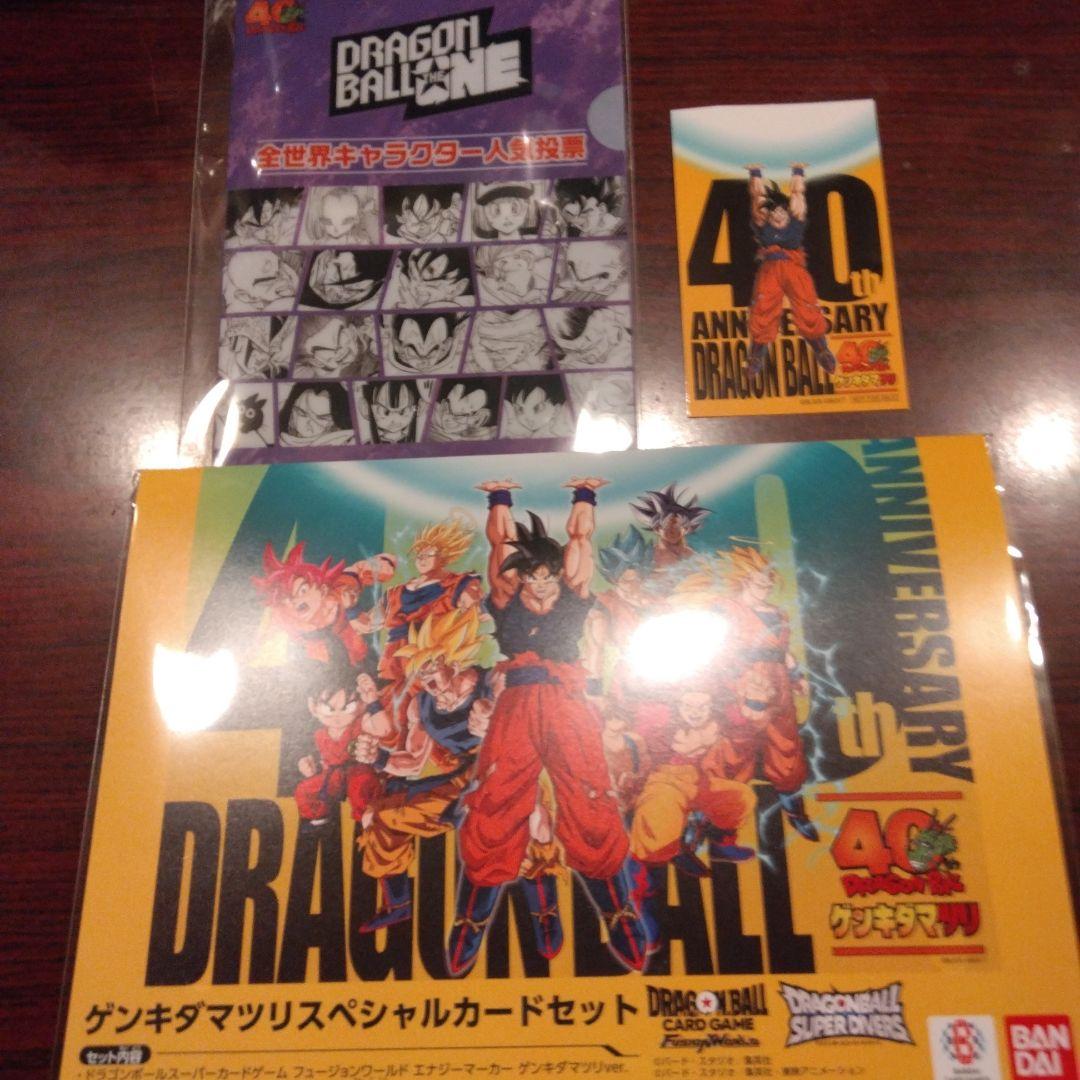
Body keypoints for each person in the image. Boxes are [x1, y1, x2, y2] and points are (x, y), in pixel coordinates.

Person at [446, 478, 647, 976]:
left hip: (565, 702)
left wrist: (585, 495)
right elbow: (499, 543)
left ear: (558, 576)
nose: (539, 585)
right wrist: (498, 498)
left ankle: (618, 911)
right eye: (531, 577)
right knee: (495, 800)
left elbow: (580, 540)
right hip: (517, 705)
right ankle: (471, 919)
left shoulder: (573, 596)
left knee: (589, 795)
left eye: (547, 577)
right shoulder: (507, 597)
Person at [713, 546, 817, 840]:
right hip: (741, 682)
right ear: (745, 578)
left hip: (779, 684)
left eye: (770, 579)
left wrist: (796, 676)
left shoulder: (777, 613)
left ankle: (795, 812)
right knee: (736, 749)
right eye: (761, 579)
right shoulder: (725, 608)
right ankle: (718, 822)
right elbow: (717, 651)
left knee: (786, 748)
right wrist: (738, 684)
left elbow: (783, 652)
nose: (768, 584)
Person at [745, 163, 836, 377]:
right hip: (770, 271)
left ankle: (821, 348)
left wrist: (798, 172)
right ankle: (757, 353)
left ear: (787, 212)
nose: (778, 216)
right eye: (774, 212)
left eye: (782, 211)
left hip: (794, 268)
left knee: (807, 305)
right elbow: (758, 197)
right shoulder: (763, 223)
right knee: (763, 308)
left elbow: (797, 195)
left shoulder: (795, 222)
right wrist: (755, 173)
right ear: (768, 214)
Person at [631, 483, 710, 572]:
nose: (673, 531)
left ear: (686, 529)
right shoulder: (648, 556)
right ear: (656, 529)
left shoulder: (692, 556)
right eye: (667, 528)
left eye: (677, 527)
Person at [278, 383, 354, 447]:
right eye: (302, 414)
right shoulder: (282, 440)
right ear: (291, 411)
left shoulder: (343, 442)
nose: (309, 423)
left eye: (322, 418)